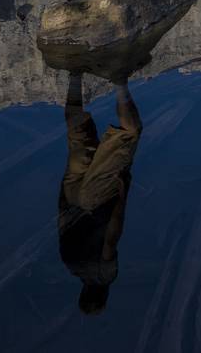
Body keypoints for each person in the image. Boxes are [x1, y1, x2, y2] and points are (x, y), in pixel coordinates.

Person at [57, 70, 142, 315]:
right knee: (77, 133)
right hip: (70, 196)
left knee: (130, 134)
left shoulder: (105, 275)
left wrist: (121, 198)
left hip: (96, 201)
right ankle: (74, 74)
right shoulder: (70, 265)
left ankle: (119, 81)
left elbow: (111, 237)